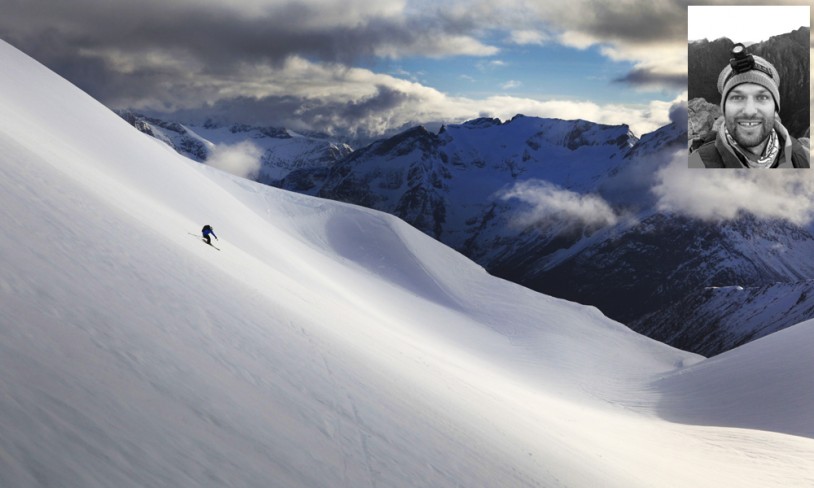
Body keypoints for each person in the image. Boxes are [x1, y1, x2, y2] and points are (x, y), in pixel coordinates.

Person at [689, 43, 809, 168]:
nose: (750, 111)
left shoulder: (803, 159)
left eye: (762, 97)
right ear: (723, 109)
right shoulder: (696, 165)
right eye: (737, 97)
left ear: (775, 108)